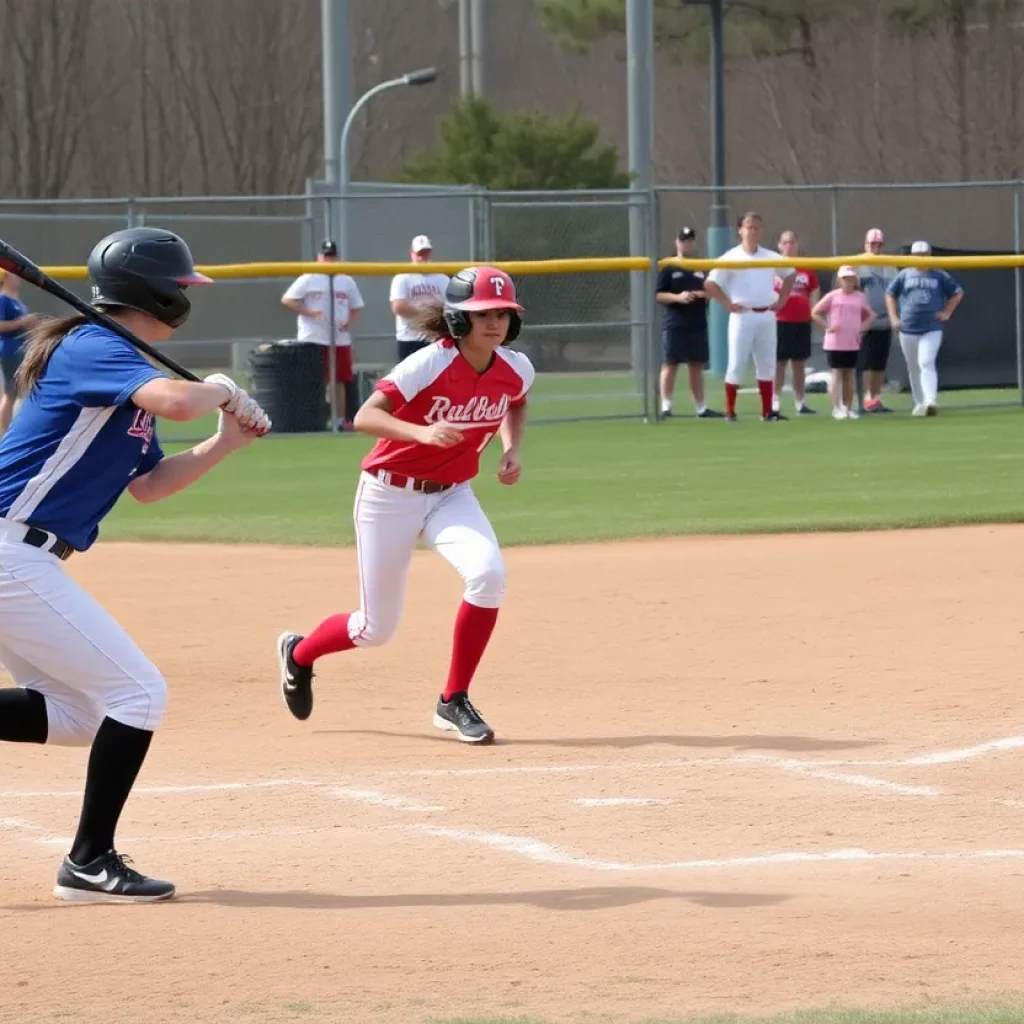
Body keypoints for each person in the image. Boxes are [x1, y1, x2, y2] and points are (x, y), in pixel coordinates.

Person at [0, 226, 269, 903]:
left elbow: (148, 486)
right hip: (8, 549)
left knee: (84, 712)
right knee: (138, 694)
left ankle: (88, 861)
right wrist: (217, 387)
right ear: (153, 291)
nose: (187, 297)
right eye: (181, 286)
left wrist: (224, 440)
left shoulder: (122, 366)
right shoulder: (97, 346)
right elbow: (179, 398)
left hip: (23, 555)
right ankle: (89, 862)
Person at [276, 266, 535, 746]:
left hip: (452, 494)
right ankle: (300, 654)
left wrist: (511, 448)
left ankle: (453, 698)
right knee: (374, 629)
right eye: (482, 314)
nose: (494, 322)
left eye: (502, 313)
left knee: (489, 575)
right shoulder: (428, 364)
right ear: (459, 319)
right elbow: (364, 415)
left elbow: (516, 401)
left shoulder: (515, 367)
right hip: (388, 494)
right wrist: (421, 432)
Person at [704, 211, 796, 422]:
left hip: (766, 314)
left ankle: (767, 411)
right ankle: (730, 410)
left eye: (756, 228)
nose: (753, 231)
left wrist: (781, 300)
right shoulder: (731, 256)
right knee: (736, 363)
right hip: (743, 315)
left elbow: (790, 274)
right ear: (740, 230)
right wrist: (727, 303)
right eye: (749, 227)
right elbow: (710, 283)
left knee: (767, 364)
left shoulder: (770, 256)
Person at [281, 238, 365, 430]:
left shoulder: (346, 280)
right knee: (314, 380)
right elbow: (288, 299)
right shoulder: (309, 277)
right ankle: (313, 419)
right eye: (326, 256)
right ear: (319, 257)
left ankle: (339, 419)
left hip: (339, 338)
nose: (329, 260)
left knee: (339, 380)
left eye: (332, 256)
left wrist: (349, 322)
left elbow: (357, 306)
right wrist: (311, 313)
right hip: (313, 337)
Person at [885, 241, 964, 416]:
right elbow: (890, 294)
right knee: (913, 366)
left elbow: (957, 292)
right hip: (908, 328)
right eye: (917, 255)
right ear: (912, 256)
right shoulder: (905, 274)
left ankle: (930, 400)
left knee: (926, 362)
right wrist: (893, 317)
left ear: (929, 255)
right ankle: (919, 402)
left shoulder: (939, 275)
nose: (921, 258)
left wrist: (947, 312)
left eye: (924, 254)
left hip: (931, 327)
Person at [655, 227, 722, 419]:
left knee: (696, 366)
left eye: (690, 240)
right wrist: (678, 297)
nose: (687, 244)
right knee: (670, 364)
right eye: (683, 240)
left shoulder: (700, 267)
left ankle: (701, 408)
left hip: (697, 324)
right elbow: (659, 295)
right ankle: (666, 407)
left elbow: (710, 292)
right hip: (675, 324)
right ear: (677, 242)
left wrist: (697, 295)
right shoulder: (668, 266)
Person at [811, 265, 875, 420]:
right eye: (845, 279)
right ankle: (836, 407)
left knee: (849, 374)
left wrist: (861, 328)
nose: (849, 282)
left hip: (852, 341)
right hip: (835, 342)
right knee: (837, 373)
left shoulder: (860, 296)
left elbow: (871, 315)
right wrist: (827, 327)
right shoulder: (833, 296)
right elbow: (815, 312)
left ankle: (847, 407)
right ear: (840, 280)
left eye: (851, 278)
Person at [772, 229, 819, 416]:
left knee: (799, 364)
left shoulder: (806, 268)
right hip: (779, 320)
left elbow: (814, 290)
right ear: (779, 245)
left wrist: (813, 311)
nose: (789, 246)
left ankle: (800, 402)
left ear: (797, 245)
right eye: (785, 242)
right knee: (779, 363)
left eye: (792, 242)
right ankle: (774, 401)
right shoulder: (773, 267)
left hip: (801, 321)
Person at [855, 228, 899, 413]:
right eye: (872, 244)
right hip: (864, 321)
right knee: (866, 362)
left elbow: (895, 291)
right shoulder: (858, 264)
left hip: (884, 320)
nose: (875, 247)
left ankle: (876, 398)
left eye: (878, 244)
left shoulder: (889, 265)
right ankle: (866, 399)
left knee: (879, 363)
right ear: (865, 244)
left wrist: (894, 315)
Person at [390, 234, 450, 363]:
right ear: (411, 253)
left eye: (426, 252)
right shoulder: (403, 276)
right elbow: (398, 306)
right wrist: (428, 315)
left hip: (434, 338)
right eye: (419, 253)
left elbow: (449, 305)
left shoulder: (441, 278)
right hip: (409, 338)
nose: (423, 257)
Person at [0, 270, 36, 436]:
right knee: (10, 391)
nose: (18, 279)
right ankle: (5, 431)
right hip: (9, 348)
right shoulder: (3, 299)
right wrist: (22, 322)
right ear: (6, 278)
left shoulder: (16, 300)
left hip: (20, 348)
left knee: (18, 391)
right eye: (15, 275)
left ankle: (11, 427)